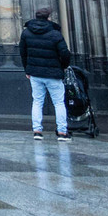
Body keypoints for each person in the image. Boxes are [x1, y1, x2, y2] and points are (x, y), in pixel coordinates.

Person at [18, 7, 71, 141]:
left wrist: (27, 70)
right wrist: (63, 67)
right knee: (59, 103)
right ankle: (62, 132)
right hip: (53, 73)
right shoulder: (55, 34)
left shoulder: (26, 33)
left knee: (37, 102)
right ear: (48, 18)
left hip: (34, 73)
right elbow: (65, 53)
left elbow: (23, 53)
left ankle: (37, 131)